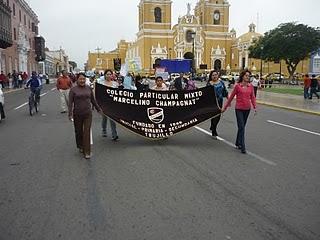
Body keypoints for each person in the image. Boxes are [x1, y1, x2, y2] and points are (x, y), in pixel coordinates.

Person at [222, 69, 257, 154]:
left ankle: (238, 142)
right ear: (242, 76)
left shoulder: (250, 86)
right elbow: (231, 97)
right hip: (239, 109)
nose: (247, 77)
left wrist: (255, 107)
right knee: (241, 127)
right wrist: (225, 107)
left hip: (247, 109)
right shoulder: (238, 86)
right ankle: (242, 146)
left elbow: (252, 97)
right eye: (246, 75)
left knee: (242, 127)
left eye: (249, 76)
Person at [69, 73, 101, 159]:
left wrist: (98, 109)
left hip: (88, 114)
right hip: (77, 114)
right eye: (80, 79)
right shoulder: (73, 89)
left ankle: (87, 152)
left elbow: (93, 100)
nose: (82, 80)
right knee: (78, 131)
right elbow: (70, 103)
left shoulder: (89, 88)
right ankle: (80, 145)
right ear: (77, 80)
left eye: (83, 79)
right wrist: (70, 114)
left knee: (86, 132)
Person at [97, 69, 119, 141]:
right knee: (104, 118)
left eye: (110, 74)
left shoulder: (115, 84)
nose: (109, 75)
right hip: (104, 104)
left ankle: (114, 134)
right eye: (107, 74)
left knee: (112, 119)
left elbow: (118, 94)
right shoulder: (101, 83)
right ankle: (104, 130)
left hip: (112, 104)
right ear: (105, 75)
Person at [207, 70, 228, 139]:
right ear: (211, 76)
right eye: (213, 75)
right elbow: (206, 93)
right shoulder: (209, 84)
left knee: (218, 116)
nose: (214, 76)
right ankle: (214, 131)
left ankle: (213, 126)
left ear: (218, 75)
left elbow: (225, 91)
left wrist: (228, 99)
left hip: (219, 101)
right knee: (213, 116)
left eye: (215, 75)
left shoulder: (221, 82)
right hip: (212, 103)